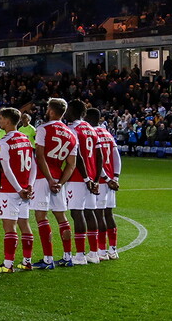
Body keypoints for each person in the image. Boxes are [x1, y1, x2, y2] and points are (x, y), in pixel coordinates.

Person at [30, 98, 78, 269]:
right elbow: (71, 164)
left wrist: (49, 179)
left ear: (51, 111)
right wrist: (60, 183)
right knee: (62, 217)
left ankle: (48, 259)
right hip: (58, 179)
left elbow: (40, 156)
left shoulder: (43, 129)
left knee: (41, 216)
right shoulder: (72, 134)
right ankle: (67, 256)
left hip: (43, 178)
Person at [0, 108, 36, 272]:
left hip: (11, 190)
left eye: (1, 118)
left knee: (9, 227)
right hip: (25, 188)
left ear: (7, 120)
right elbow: (33, 164)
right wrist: (30, 184)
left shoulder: (4, 142)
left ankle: (8, 264)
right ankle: (27, 261)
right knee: (24, 224)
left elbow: (6, 169)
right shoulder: (25, 139)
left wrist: (18, 189)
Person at [64, 99, 102, 265]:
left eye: (68, 110)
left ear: (73, 111)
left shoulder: (72, 129)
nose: (66, 113)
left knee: (77, 213)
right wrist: (96, 179)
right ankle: (93, 253)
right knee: (90, 212)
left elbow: (77, 156)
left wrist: (86, 178)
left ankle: (80, 255)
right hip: (91, 177)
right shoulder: (92, 129)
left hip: (78, 177)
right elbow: (100, 156)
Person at [92, 109, 122, 260]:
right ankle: (113, 250)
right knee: (109, 214)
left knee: (99, 215)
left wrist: (106, 178)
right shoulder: (107, 134)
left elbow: (98, 160)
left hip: (102, 181)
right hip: (111, 181)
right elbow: (117, 156)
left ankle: (102, 251)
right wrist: (115, 177)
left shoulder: (92, 134)